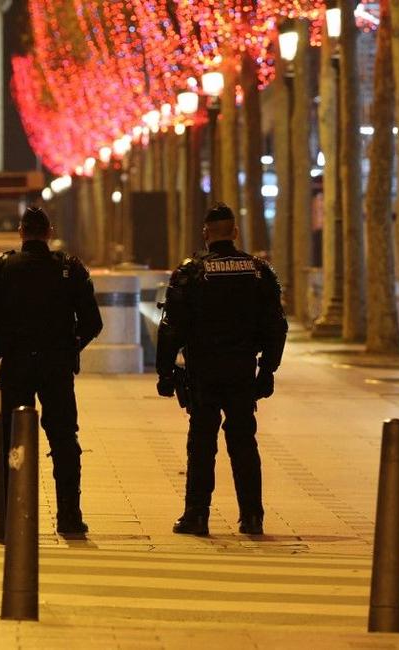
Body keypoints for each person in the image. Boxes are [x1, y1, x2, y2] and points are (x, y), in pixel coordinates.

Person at [155, 203, 288, 537]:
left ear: (205, 233)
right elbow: (276, 325)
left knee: (201, 442)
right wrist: (268, 369)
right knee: (244, 442)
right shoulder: (259, 270)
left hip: (203, 369)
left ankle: (196, 516)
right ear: (235, 232)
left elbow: (171, 327)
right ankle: (252, 517)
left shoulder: (191, 272)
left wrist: (165, 373)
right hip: (242, 368)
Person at [0, 207, 102, 535]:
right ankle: (69, 516)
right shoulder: (68, 269)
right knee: (63, 438)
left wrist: (3, 348)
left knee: (10, 437)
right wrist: (70, 348)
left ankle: (7, 515)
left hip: (15, 364)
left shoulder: (0, 268)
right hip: (56, 365)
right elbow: (92, 322)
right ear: (49, 232)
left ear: (21, 232)